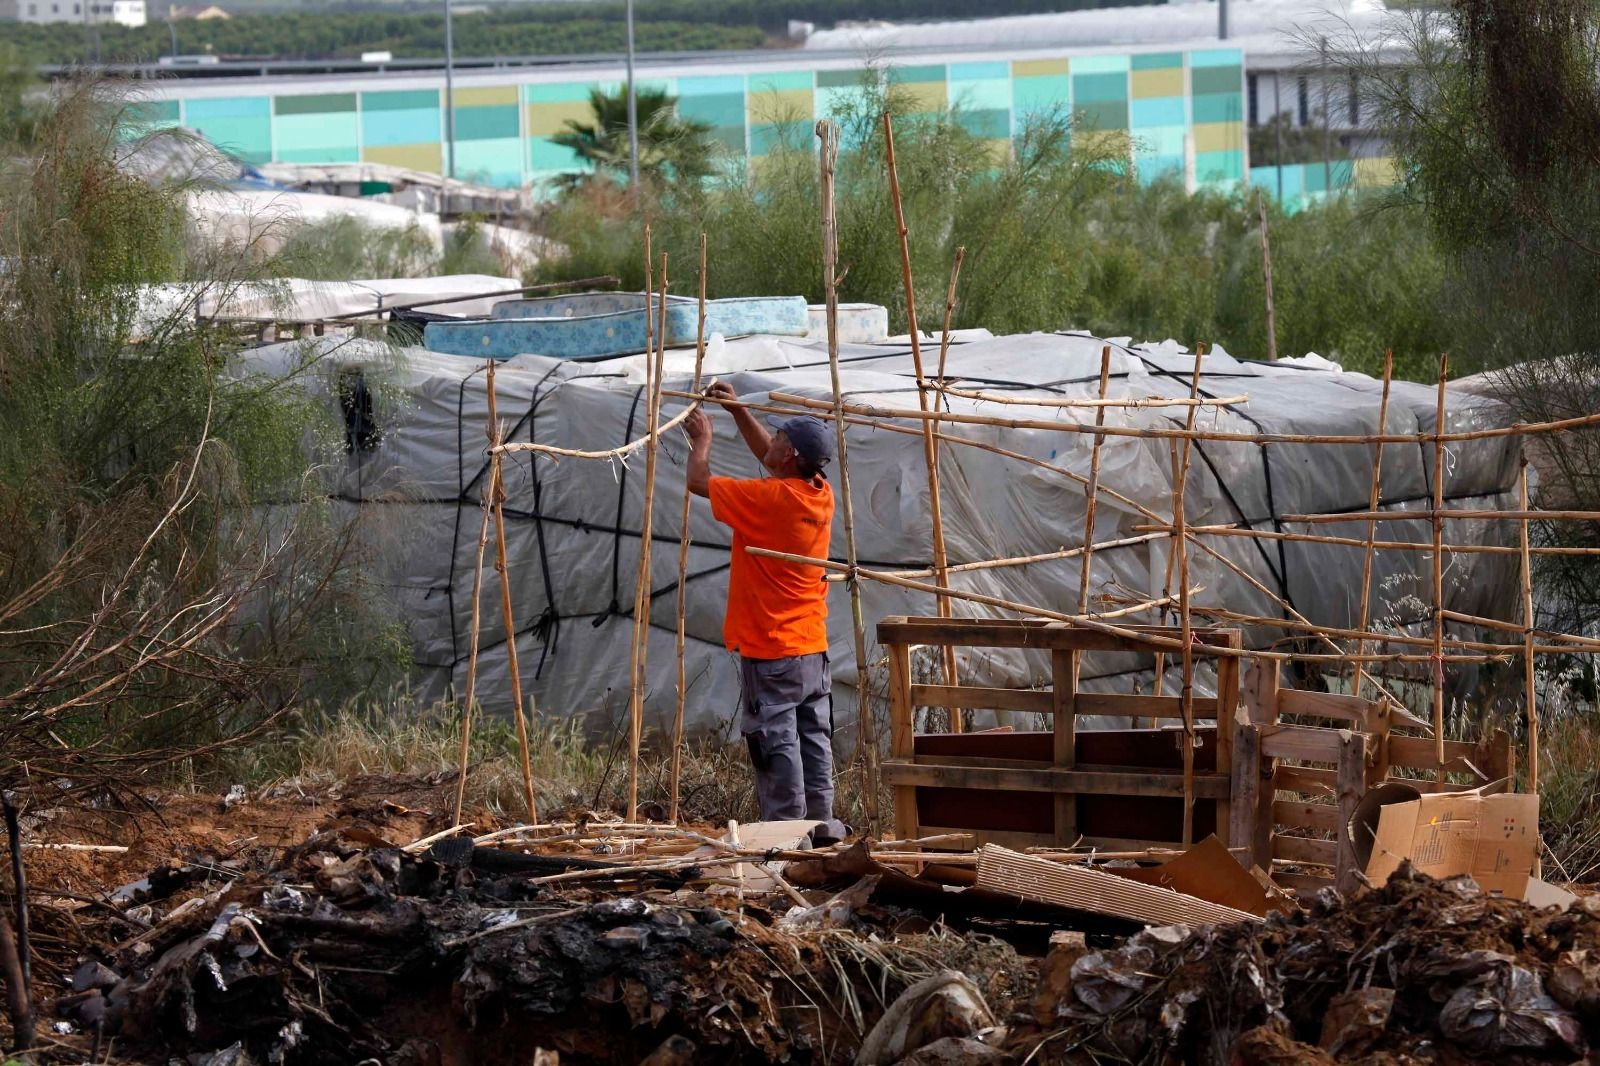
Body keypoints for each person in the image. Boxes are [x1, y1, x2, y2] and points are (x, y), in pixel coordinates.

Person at [685, 382, 848, 843]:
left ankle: (785, 842)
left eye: (777, 437)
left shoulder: (772, 501)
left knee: (777, 751)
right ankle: (823, 831)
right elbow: (774, 459)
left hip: (773, 649)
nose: (769, 442)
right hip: (811, 650)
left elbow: (698, 482)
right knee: (814, 743)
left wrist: (704, 441)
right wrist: (738, 411)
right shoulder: (819, 493)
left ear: (789, 453)